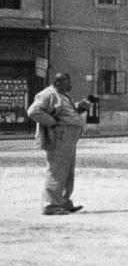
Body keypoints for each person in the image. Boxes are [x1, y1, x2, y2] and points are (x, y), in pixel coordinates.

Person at [28, 72, 90, 216]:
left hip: (69, 139)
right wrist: (52, 122)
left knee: (67, 172)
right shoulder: (47, 94)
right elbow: (33, 111)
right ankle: (50, 206)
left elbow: (63, 111)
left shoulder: (63, 95)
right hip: (59, 138)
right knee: (56, 171)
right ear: (57, 83)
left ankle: (63, 202)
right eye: (67, 82)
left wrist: (78, 107)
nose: (70, 85)